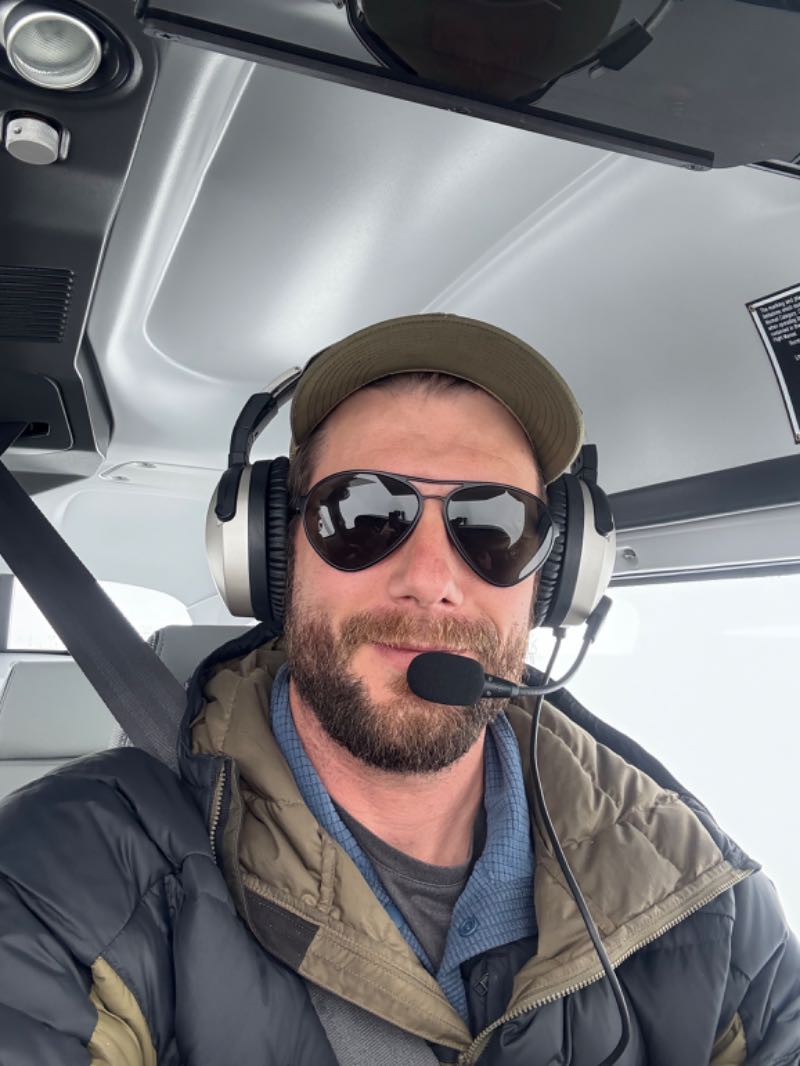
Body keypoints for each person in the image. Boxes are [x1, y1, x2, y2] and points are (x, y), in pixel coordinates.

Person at [0, 314, 797, 1065]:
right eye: (363, 515)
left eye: (493, 527)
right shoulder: (71, 874)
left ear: (555, 580)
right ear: (274, 553)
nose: (430, 579)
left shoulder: (702, 901)